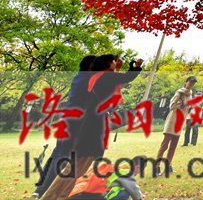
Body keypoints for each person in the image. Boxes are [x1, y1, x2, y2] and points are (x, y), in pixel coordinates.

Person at [40, 55, 143, 200]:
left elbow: (113, 82)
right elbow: (126, 78)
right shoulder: (104, 77)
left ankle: (56, 196)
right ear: (107, 65)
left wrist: (117, 70)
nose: (116, 62)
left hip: (88, 124)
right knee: (74, 168)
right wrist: (136, 67)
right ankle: (52, 196)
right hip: (92, 128)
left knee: (74, 168)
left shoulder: (96, 77)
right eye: (113, 61)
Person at [34, 55, 96, 198]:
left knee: (57, 154)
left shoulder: (79, 76)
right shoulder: (88, 79)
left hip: (67, 120)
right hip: (74, 123)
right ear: (91, 66)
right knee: (62, 157)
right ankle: (45, 191)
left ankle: (40, 189)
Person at [155, 76, 197, 175]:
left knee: (173, 146)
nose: (191, 85)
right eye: (190, 82)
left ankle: (168, 167)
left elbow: (188, 107)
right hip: (172, 121)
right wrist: (181, 104)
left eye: (193, 83)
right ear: (186, 82)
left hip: (180, 122)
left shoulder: (190, 94)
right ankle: (156, 167)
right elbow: (171, 105)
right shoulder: (179, 92)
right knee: (164, 146)